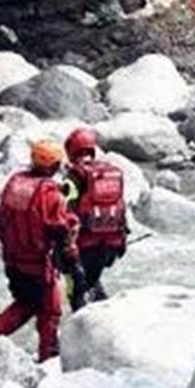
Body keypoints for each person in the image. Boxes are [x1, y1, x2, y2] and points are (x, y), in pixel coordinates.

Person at [0, 138, 81, 361]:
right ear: (54, 165)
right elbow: (59, 228)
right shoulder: (49, 194)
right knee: (49, 312)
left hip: (12, 262)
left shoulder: (15, 182)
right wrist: (72, 252)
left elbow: (3, 219)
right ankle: (46, 359)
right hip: (38, 266)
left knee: (26, 303)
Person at [61, 127, 128, 310]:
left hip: (84, 244)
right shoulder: (110, 173)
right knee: (92, 280)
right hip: (111, 244)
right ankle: (105, 311)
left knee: (76, 286)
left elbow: (65, 210)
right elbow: (122, 207)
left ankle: (80, 321)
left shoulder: (74, 176)